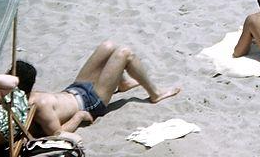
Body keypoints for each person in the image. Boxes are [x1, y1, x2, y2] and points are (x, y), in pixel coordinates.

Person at [14, 41, 180, 135]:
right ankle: (155, 94)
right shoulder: (39, 106)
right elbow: (57, 134)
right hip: (91, 102)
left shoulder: (23, 96)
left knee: (107, 46)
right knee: (125, 53)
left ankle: (123, 83)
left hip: (75, 89)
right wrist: (78, 117)